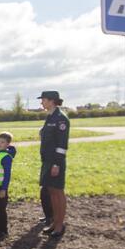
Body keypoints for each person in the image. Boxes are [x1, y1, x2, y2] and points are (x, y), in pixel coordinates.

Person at [38, 91, 69, 239]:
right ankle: (55, 222)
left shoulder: (61, 119)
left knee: (57, 192)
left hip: (55, 161)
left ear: (52, 101)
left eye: (43, 100)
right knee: (51, 191)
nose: (41, 102)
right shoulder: (50, 116)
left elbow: (62, 144)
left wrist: (57, 163)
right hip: (47, 160)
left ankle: (59, 226)